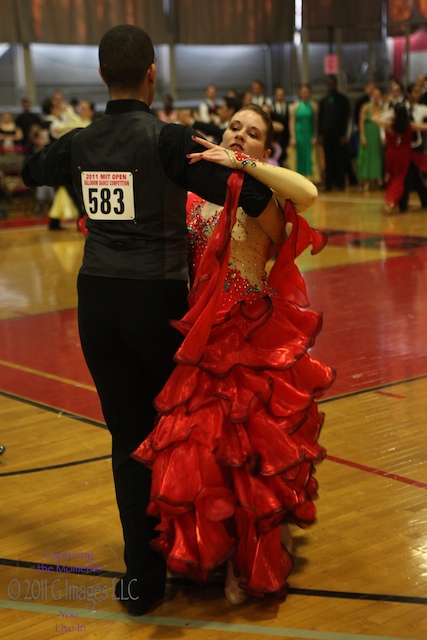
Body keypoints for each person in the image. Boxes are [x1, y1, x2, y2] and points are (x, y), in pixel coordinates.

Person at [21, 24, 277, 617]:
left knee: (127, 438)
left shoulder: (81, 141)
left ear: (102, 75)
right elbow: (247, 194)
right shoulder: (169, 140)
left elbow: (34, 169)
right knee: (176, 435)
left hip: (95, 305)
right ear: (153, 73)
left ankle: (142, 578)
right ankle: (193, 552)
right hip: (155, 306)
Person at [132, 104, 335, 605]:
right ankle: (219, 547)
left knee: (250, 458)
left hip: (250, 340)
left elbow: (307, 192)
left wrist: (239, 163)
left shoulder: (265, 203)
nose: (241, 135)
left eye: (254, 133)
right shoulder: (195, 198)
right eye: (235, 127)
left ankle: (250, 557)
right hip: (202, 341)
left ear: (267, 150)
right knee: (203, 449)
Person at [372, 103, 427, 214]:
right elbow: (425, 127)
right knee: (400, 179)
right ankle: (392, 201)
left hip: (391, 155)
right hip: (405, 155)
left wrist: (388, 112)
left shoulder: (389, 124)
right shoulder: (410, 126)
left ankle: (391, 202)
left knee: (392, 178)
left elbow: (374, 118)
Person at [318, 76, 351, 191]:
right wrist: (320, 134)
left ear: (336, 84)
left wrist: (345, 134)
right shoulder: (323, 101)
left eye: (332, 83)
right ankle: (329, 184)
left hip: (339, 135)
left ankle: (340, 184)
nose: (330, 85)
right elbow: (320, 119)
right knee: (328, 159)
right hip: (327, 135)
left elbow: (346, 118)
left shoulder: (343, 100)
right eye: (328, 84)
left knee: (339, 159)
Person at [289, 84, 320, 181]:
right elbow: (292, 122)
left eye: (306, 92)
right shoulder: (295, 106)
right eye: (302, 92)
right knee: (299, 156)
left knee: (310, 157)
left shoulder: (314, 105)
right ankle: (298, 179)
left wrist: (315, 136)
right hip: (299, 134)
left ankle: (311, 178)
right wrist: (293, 137)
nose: (304, 93)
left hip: (309, 134)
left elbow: (316, 123)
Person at [356, 86, 386, 191]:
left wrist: (384, 137)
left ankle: (376, 180)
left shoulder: (383, 108)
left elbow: (384, 124)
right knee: (365, 157)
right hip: (368, 133)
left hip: (378, 135)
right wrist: (363, 136)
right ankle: (365, 181)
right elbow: (361, 122)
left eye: (378, 95)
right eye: (374, 95)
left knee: (377, 157)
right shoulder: (365, 107)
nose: (376, 97)